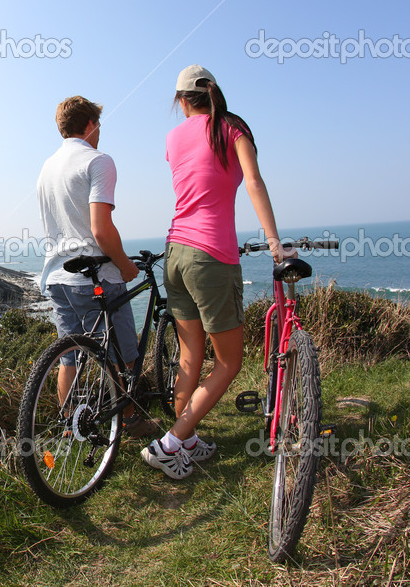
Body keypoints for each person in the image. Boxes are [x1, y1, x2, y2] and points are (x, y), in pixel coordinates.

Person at [141, 65, 291, 479]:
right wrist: (276, 244)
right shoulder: (231, 127)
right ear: (212, 92)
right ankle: (172, 442)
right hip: (211, 255)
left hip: (175, 252)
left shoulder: (173, 138)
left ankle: (186, 441)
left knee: (190, 354)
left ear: (181, 100)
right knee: (229, 362)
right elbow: (254, 182)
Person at [37, 95, 152, 438]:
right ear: (89, 124)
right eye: (98, 124)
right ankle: (131, 421)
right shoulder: (98, 161)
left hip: (58, 276)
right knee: (123, 356)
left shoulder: (47, 167)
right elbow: (101, 229)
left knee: (69, 356)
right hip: (94, 276)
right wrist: (126, 266)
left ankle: (71, 428)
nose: (100, 131)